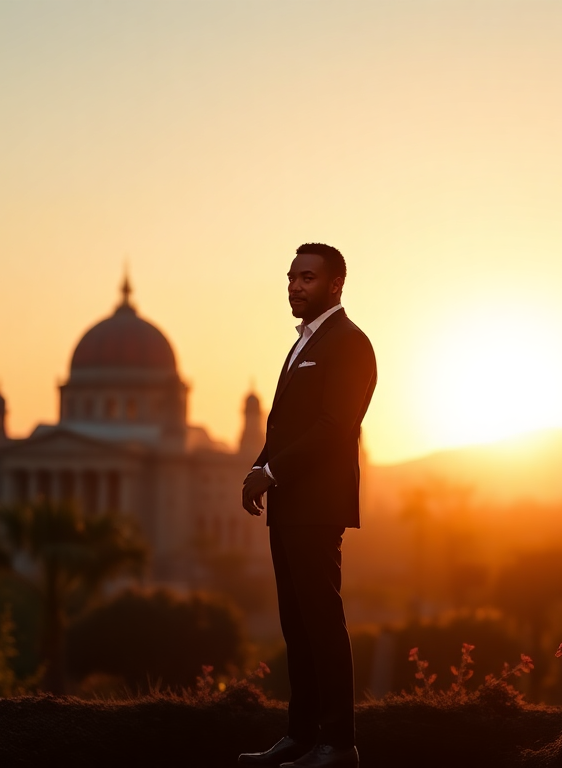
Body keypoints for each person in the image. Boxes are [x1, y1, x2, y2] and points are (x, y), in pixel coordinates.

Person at [238, 243, 377, 768]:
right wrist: (260, 466)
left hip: (318, 506)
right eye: (292, 277)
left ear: (335, 284)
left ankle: (339, 744)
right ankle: (300, 735)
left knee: (322, 622)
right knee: (295, 623)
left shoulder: (350, 344)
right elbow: (285, 424)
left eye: (308, 278)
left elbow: (332, 428)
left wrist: (270, 472)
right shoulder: (303, 343)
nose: (296, 286)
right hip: (289, 503)